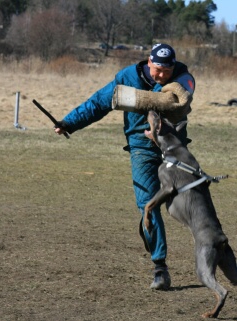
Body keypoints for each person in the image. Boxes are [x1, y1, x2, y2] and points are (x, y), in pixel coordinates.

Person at [54, 43, 195, 290]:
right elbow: (99, 103)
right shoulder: (127, 77)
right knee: (147, 205)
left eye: (166, 71)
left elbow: (177, 101)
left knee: (189, 199)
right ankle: (160, 266)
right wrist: (69, 123)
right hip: (141, 148)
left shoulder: (183, 76)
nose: (161, 75)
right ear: (149, 62)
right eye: (157, 69)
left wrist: (138, 98)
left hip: (173, 146)